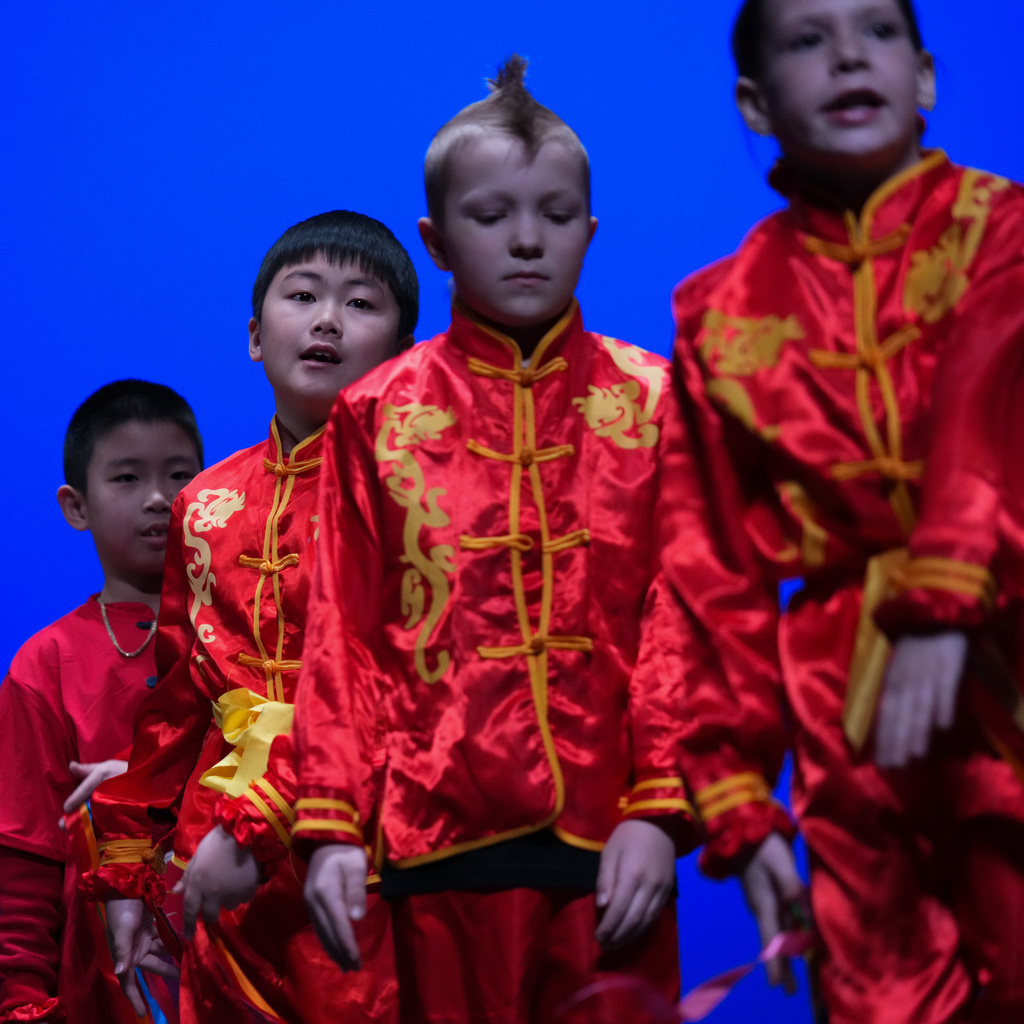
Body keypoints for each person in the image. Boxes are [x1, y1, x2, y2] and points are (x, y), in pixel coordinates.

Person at [293, 57, 786, 1024]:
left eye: (556, 216)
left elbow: (682, 613)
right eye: (492, 216)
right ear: (436, 239)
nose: (528, 241)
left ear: (591, 231)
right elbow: (339, 633)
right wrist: (331, 823)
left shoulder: (652, 402)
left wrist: (658, 806)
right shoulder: (375, 414)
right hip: (429, 834)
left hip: (610, 847)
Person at [671, 1, 1024, 1020]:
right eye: (805, 40)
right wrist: (738, 801)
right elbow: (710, 566)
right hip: (842, 699)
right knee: (879, 993)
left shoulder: (1000, 229)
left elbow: (985, 406)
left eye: (875, 30)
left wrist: (944, 591)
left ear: (920, 77)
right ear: (755, 102)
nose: (844, 56)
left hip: (1006, 641)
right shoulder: (721, 308)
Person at [83, 211, 419, 1024]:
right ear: (254, 337)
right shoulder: (206, 505)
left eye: (361, 303)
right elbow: (177, 705)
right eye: (303, 295)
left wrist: (261, 820)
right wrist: (128, 865)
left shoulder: (417, 495)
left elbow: (403, 692)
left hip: (368, 853)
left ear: (406, 355)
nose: (328, 320)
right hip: (220, 872)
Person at [0, 380, 203, 1023]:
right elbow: (24, 856)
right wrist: (21, 1003)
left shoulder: (248, 636)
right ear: (75, 506)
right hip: (98, 991)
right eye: (126, 477)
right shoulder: (48, 663)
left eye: (180, 475)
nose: (158, 498)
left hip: (239, 968)